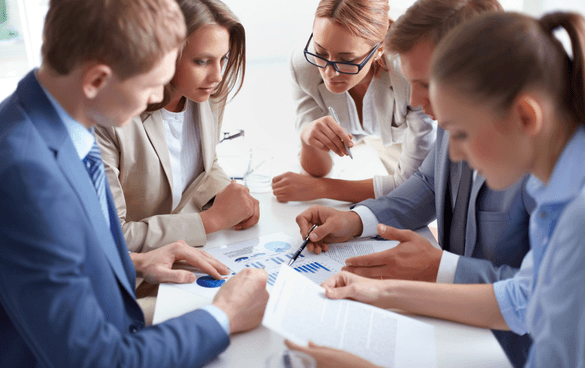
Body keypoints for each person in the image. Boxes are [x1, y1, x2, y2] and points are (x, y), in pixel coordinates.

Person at [291, 9, 585, 368]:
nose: (455, 151)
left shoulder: (576, 219)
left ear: (525, 117)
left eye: (461, 134)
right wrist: (381, 290)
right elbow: (525, 296)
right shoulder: (558, 193)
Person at [0, 0, 268, 367]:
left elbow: (63, 263)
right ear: (97, 79)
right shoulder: (26, 177)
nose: (159, 99)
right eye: (152, 85)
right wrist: (224, 316)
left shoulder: (56, 127)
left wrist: (137, 262)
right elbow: (98, 360)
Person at [95, 0, 259, 254]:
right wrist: (212, 220)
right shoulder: (107, 118)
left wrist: (229, 196)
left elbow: (201, 162)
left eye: (223, 59)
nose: (217, 76)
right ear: (163, 54)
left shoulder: (207, 95)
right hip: (136, 271)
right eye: (202, 61)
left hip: (191, 253)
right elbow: (113, 236)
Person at [271, 0, 435, 203]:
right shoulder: (304, 66)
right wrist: (307, 136)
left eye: (346, 60)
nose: (329, 73)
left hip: (404, 144)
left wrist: (323, 189)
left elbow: (413, 186)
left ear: (379, 49)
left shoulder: (411, 74)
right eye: (321, 52)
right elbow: (316, 171)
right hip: (372, 147)